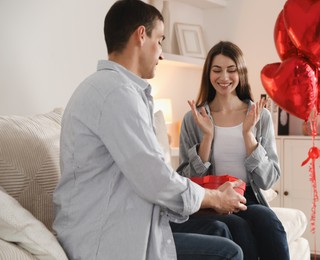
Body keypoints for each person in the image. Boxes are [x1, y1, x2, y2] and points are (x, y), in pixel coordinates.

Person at [52, 1, 247, 259]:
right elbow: (156, 180)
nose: (162, 53)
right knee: (229, 253)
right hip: (107, 237)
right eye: (160, 40)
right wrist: (213, 198)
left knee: (219, 229)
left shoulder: (114, 89)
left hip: (125, 220)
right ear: (141, 35)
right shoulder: (117, 93)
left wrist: (208, 198)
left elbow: (151, 176)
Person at [170, 41, 290, 260]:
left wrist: (248, 136)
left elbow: (269, 179)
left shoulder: (259, 116)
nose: (224, 77)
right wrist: (206, 138)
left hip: (248, 199)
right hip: (210, 199)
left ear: (240, 73)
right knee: (238, 228)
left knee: (269, 221)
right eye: (217, 70)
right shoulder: (193, 119)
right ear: (208, 74)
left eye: (231, 70)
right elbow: (184, 179)